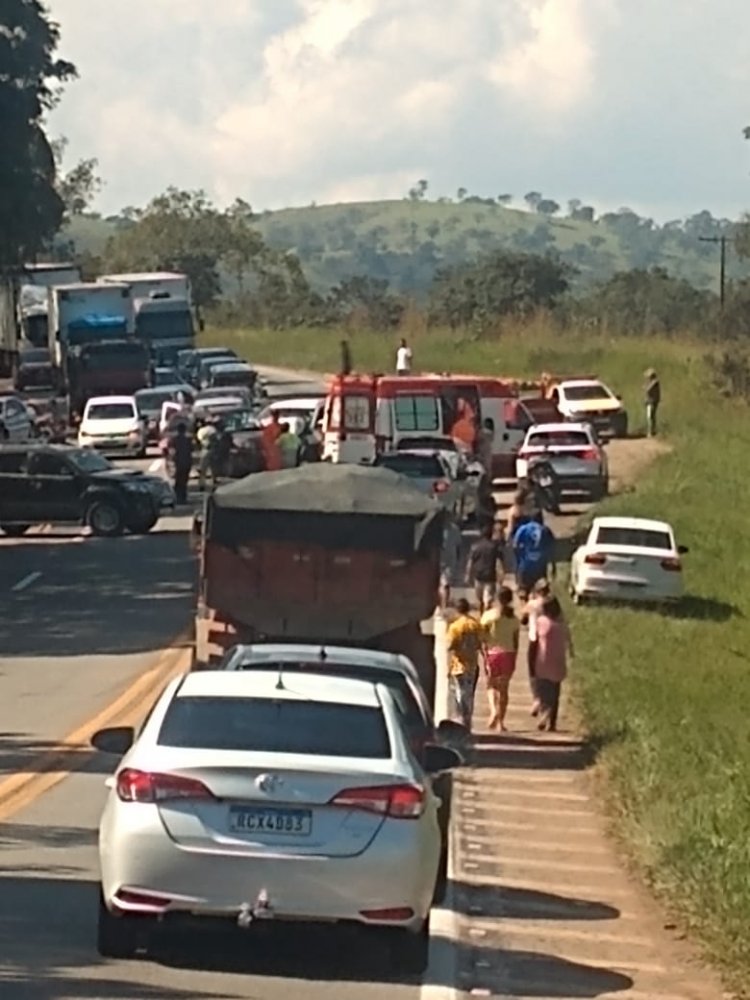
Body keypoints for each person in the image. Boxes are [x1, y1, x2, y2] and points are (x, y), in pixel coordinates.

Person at [481, 587, 520, 731]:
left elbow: (483, 637)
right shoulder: (514, 619)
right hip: (508, 654)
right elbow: (516, 642)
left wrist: (484, 653)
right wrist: (515, 658)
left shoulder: (489, 616)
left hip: (492, 654)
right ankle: (501, 722)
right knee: (504, 690)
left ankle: (493, 711)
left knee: (491, 686)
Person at [535, 597, 574, 732]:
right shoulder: (562, 624)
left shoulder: (541, 622)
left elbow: (534, 640)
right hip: (558, 661)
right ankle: (552, 722)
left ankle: (544, 713)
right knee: (555, 693)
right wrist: (571, 655)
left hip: (543, 660)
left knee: (542, 691)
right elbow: (569, 642)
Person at [446, 598, 485, 730]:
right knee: (469, 693)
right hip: (472, 664)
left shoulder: (455, 627)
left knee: (459, 692)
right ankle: (468, 719)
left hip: (459, 664)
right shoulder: (475, 624)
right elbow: (481, 643)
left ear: (457, 610)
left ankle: (462, 719)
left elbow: (450, 645)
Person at [521, 578, 553, 716]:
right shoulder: (552, 604)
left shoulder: (533, 604)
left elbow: (523, 620)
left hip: (535, 639)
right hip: (551, 640)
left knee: (533, 672)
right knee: (548, 673)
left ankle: (537, 698)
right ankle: (547, 702)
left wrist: (528, 602)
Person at [466, 523, 505, 612]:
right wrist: (501, 574)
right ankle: (486, 611)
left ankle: (482, 612)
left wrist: (468, 575)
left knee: (480, 598)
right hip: (490, 576)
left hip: (478, 576)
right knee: (488, 598)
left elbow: (470, 562)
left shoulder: (475, 547)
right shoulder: (495, 547)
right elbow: (499, 562)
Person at [513, 517, 556, 593]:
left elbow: (515, 545)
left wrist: (519, 558)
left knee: (524, 590)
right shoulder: (545, 530)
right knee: (540, 590)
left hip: (525, 564)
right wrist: (552, 564)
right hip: (540, 565)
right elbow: (552, 547)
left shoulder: (523, 528)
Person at [439, 515, 463, 611]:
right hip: (447, 560)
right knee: (445, 584)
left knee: (442, 584)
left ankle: (442, 603)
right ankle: (444, 603)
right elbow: (458, 546)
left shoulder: (436, 528)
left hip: (441, 559)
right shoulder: (454, 529)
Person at [169, 422, 193, 504]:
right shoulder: (188, 439)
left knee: (178, 481)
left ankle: (177, 497)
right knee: (184, 481)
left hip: (178, 462)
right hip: (187, 462)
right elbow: (192, 449)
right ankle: (183, 497)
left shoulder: (175, 439)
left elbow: (172, 451)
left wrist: (171, 461)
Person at [645, 368, 661, 437]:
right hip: (651, 401)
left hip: (652, 401)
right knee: (651, 416)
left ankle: (651, 431)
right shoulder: (653, 382)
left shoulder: (655, 382)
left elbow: (648, 389)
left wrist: (645, 387)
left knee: (650, 416)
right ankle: (652, 431)